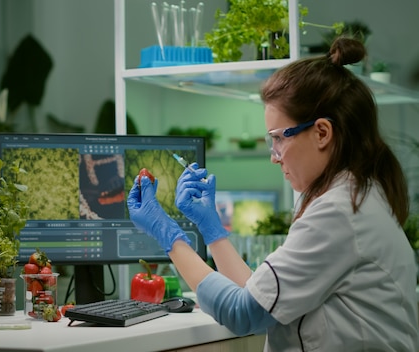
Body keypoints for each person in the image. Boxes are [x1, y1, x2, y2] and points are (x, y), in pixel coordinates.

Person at [128, 37, 419, 351]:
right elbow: (259, 294)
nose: (274, 155)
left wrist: (169, 235)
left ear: (322, 132)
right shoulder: (355, 196)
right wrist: (212, 231)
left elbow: (242, 312)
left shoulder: (338, 212)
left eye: (279, 138)